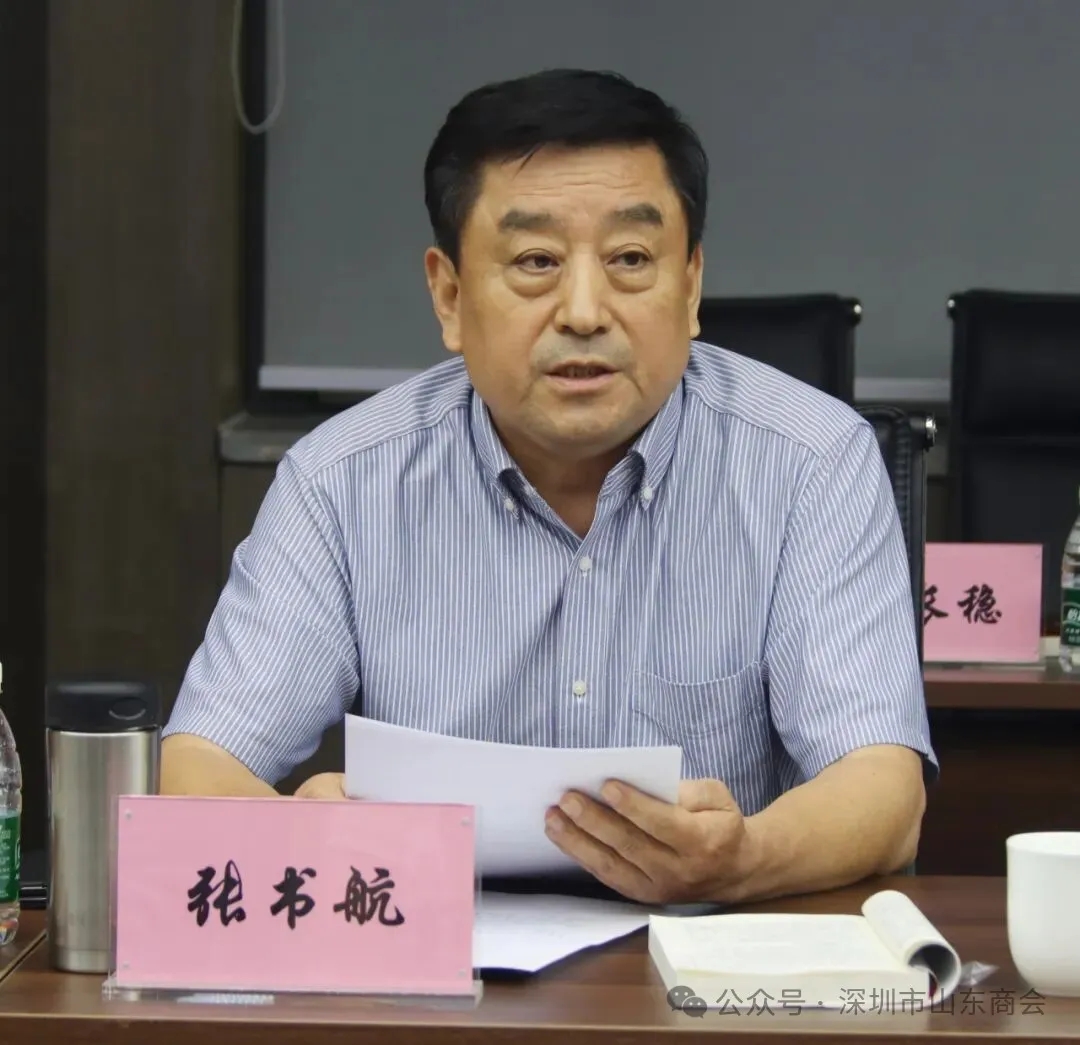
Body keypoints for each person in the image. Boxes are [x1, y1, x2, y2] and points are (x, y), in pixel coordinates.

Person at [162, 68, 936, 906]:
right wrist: (300, 837)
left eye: (631, 259)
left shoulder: (812, 462)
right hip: (437, 965)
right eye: (536, 262)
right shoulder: (341, 482)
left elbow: (884, 792)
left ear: (690, 285)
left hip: (706, 963)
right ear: (449, 294)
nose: (584, 311)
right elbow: (199, 763)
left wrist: (745, 857)